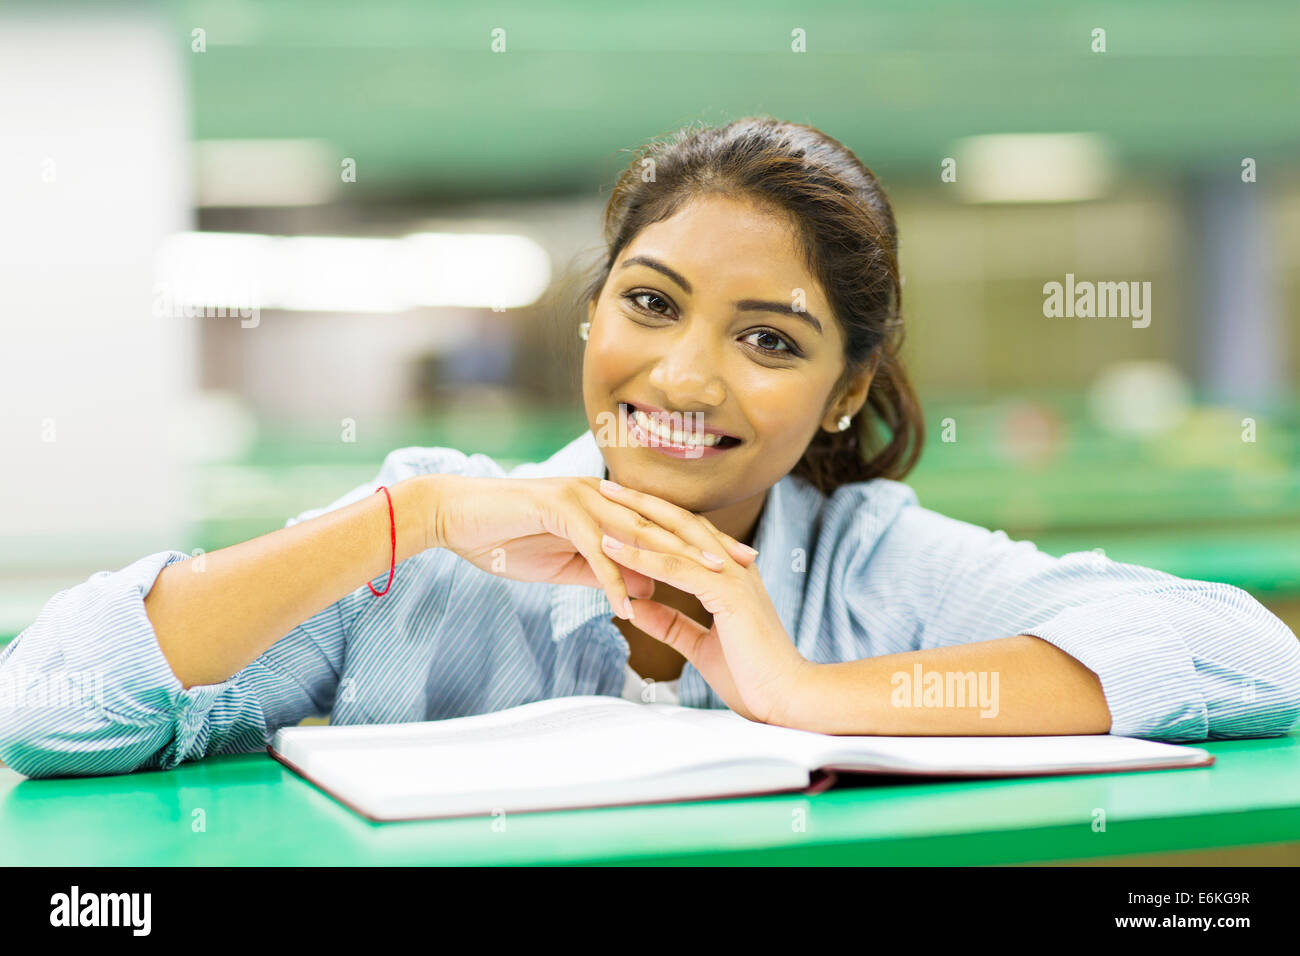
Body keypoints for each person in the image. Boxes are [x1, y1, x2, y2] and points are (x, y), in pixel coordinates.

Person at [3, 117, 1299, 780]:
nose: (683, 375)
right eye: (650, 303)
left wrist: (806, 693)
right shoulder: (428, 540)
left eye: (771, 342)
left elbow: (1247, 655)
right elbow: (50, 708)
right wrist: (400, 526)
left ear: (846, 395)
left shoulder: (875, 567)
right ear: (594, 310)